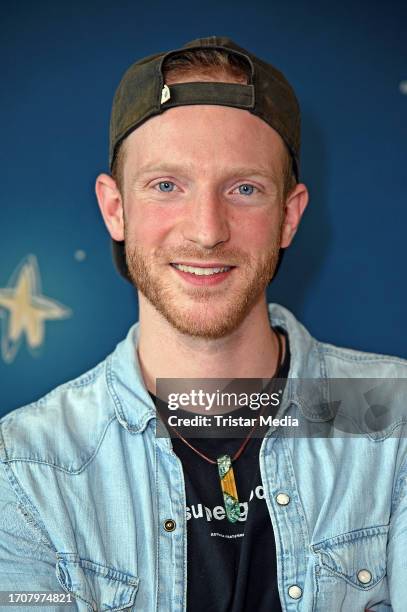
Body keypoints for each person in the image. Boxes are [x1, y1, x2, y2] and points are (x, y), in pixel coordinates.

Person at [0, 35, 406, 612]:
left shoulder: (393, 419)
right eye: (167, 186)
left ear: (289, 216)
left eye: (244, 189)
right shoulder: (25, 467)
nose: (207, 229)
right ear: (115, 208)